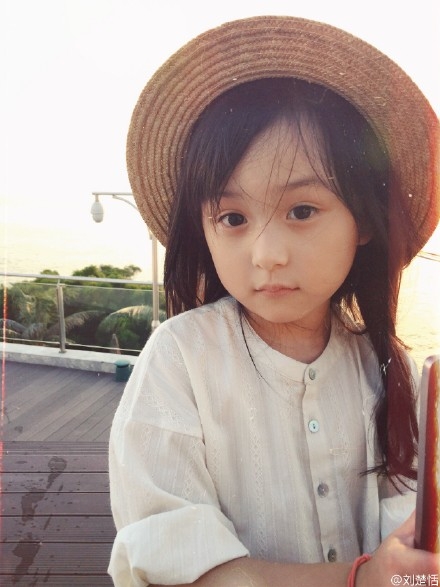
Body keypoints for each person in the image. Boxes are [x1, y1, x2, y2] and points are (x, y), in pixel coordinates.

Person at [108, 15, 440, 587]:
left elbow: (411, 554)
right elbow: (174, 564)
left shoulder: (396, 373)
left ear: (363, 219)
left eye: (302, 210)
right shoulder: (179, 359)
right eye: (233, 218)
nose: (266, 254)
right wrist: (360, 579)